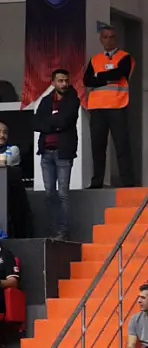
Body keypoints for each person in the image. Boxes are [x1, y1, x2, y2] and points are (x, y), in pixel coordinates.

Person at [84, 25, 135, 188]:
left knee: (122, 146)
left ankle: (127, 182)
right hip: (97, 108)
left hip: (117, 105)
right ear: (101, 39)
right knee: (98, 147)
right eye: (105, 37)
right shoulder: (95, 59)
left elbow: (120, 74)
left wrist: (99, 76)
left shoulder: (125, 57)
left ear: (116, 38)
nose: (109, 40)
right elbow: (87, 80)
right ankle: (97, 181)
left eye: (112, 37)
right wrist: (107, 77)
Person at [33, 68, 79, 239]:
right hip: (46, 152)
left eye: (66, 80)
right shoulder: (45, 100)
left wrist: (50, 122)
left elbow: (65, 121)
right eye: (60, 81)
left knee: (62, 194)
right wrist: (54, 124)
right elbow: (36, 123)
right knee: (49, 193)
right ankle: (53, 230)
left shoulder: (73, 100)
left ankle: (63, 231)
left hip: (63, 152)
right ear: (53, 82)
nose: (64, 84)